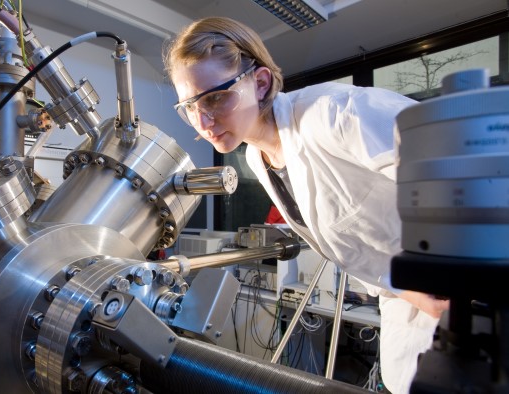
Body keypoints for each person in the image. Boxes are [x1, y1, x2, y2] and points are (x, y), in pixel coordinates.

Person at [164, 16, 449, 394]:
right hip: (408, 308)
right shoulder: (256, 159)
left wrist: (454, 282)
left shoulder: (334, 113)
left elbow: (460, 170)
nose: (203, 120)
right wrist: (409, 289)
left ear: (260, 82)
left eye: (215, 97)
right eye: (189, 105)